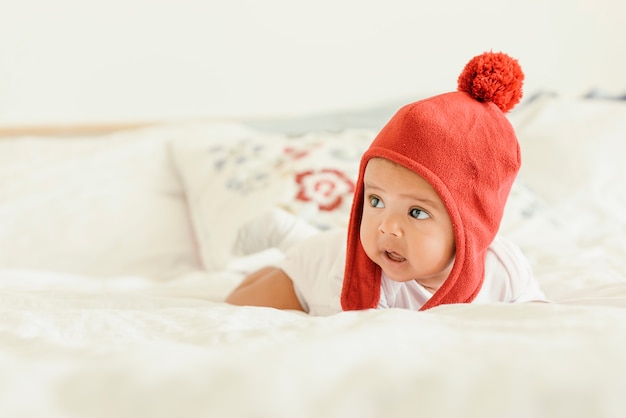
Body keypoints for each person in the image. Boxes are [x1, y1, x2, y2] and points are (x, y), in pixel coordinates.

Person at [226, 51, 547, 315]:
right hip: (318, 269)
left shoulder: (506, 268)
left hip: (330, 251)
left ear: (472, 228)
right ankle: (287, 235)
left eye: (417, 212)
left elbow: (538, 315)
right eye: (376, 201)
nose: (386, 227)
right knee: (242, 301)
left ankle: (292, 234)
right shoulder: (369, 285)